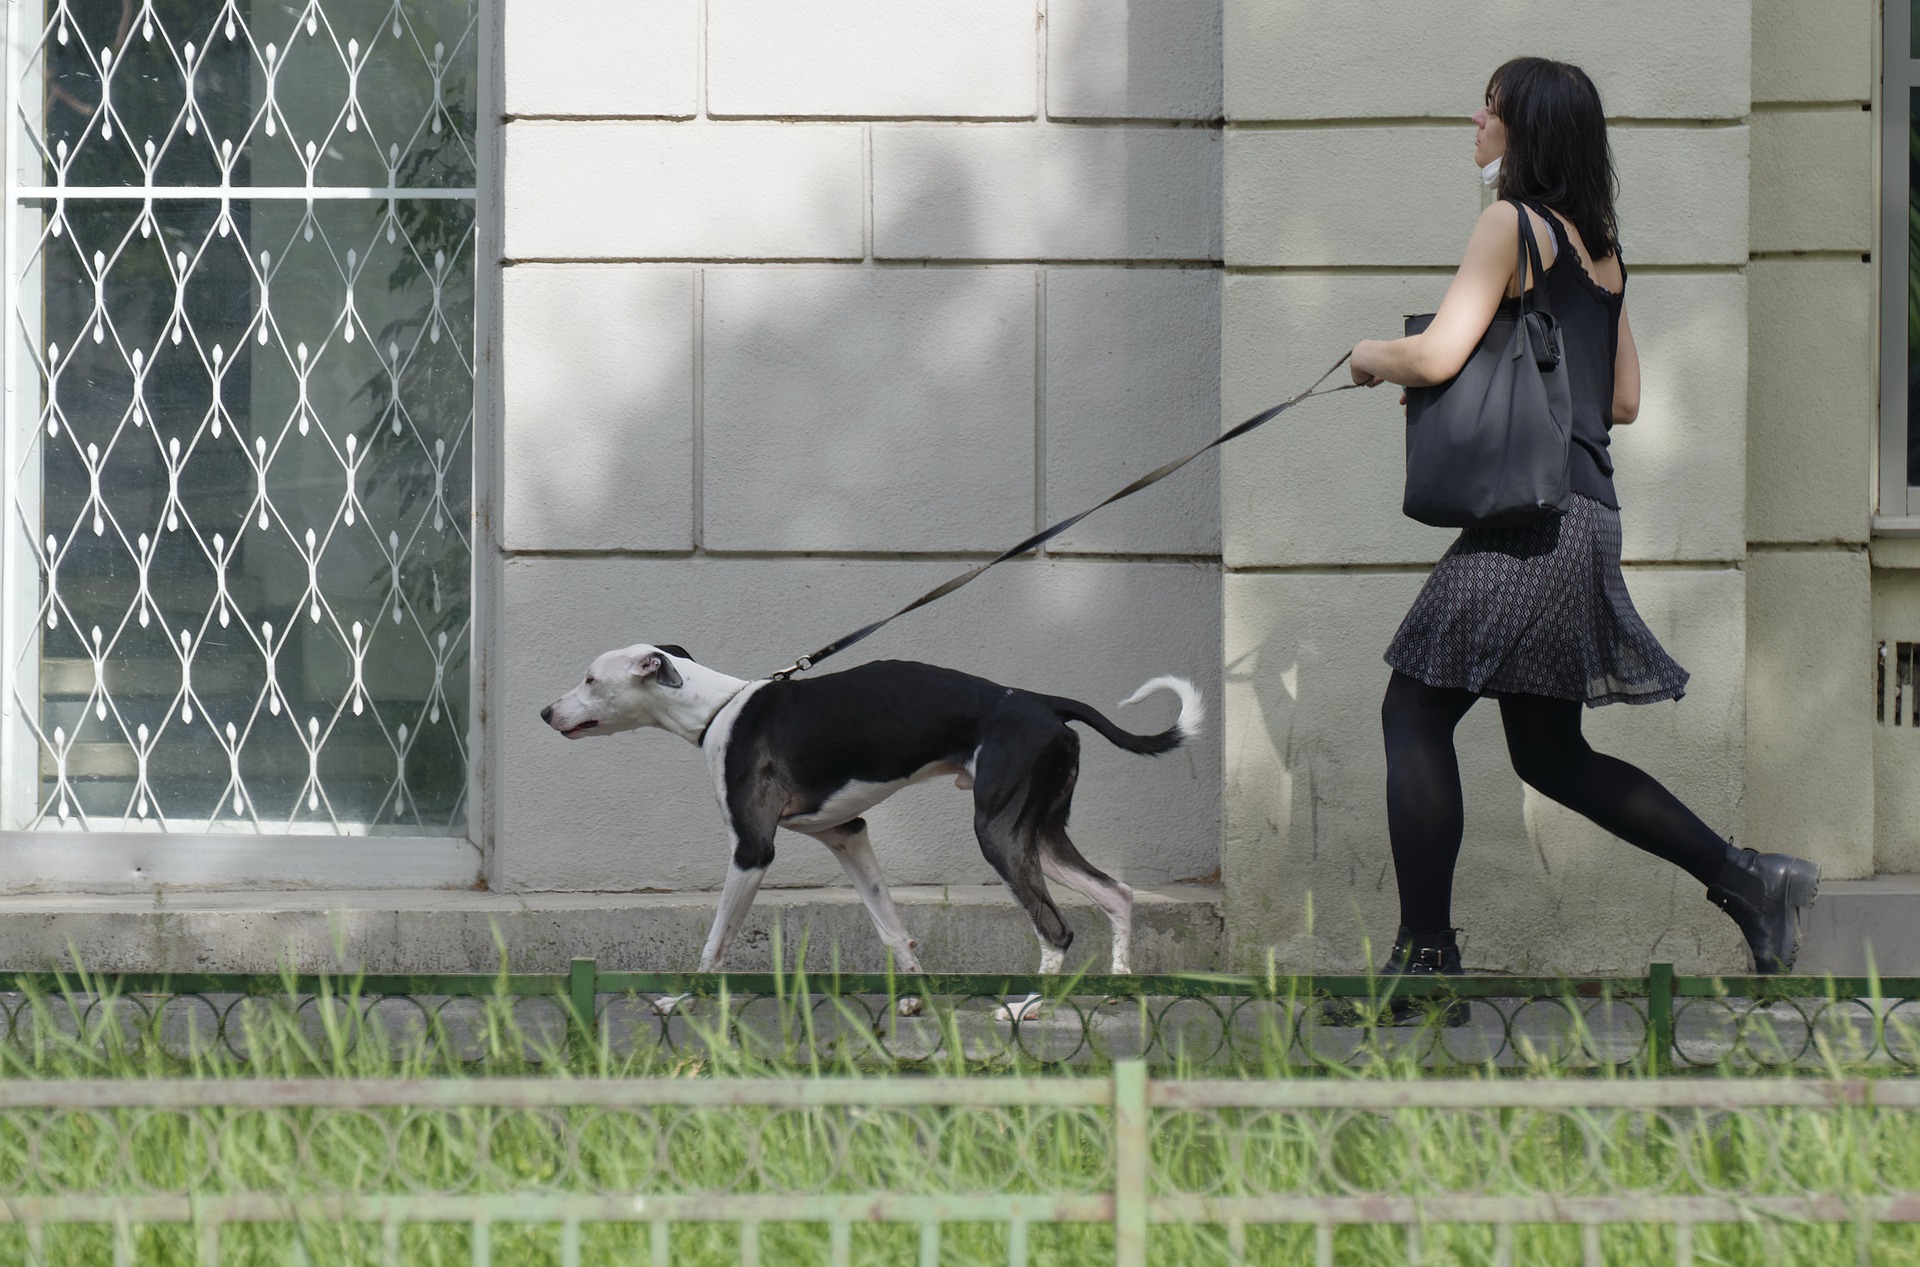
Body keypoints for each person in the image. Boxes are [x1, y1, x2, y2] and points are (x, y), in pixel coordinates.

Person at [1345, 57, 1818, 991]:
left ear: (1526, 129)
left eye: (1489, 107)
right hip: (1588, 515)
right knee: (1551, 752)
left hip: (1534, 521)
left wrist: (1368, 356)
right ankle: (1753, 881)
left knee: (1412, 707)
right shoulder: (1599, 248)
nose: (1475, 120)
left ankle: (1426, 959)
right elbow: (1627, 399)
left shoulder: (1509, 225)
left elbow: (1438, 353)